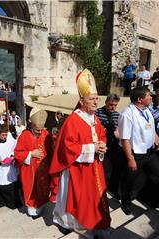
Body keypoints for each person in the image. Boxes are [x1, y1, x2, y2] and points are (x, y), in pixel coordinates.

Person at [50, 69, 111, 238]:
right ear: (81, 101)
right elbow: (67, 147)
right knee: (70, 197)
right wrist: (93, 148)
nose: (95, 102)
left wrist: (103, 144)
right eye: (92, 99)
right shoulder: (73, 120)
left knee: (93, 198)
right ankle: (64, 222)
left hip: (93, 167)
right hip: (75, 168)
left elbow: (102, 134)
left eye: (97, 98)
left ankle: (94, 223)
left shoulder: (95, 118)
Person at [118, 86, 159, 215]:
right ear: (140, 99)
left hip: (149, 152)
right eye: (149, 95)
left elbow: (150, 126)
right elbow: (125, 138)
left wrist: (156, 137)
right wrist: (130, 159)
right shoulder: (127, 113)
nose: (151, 97)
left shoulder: (147, 109)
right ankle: (125, 201)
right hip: (135, 154)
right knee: (129, 180)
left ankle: (144, 196)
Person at [14, 108, 53, 218]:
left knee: (43, 191)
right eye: (37, 130)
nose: (40, 132)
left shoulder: (46, 134)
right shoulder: (24, 136)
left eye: (41, 130)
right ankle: (33, 211)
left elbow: (51, 150)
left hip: (44, 171)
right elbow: (17, 154)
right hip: (30, 172)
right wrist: (31, 154)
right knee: (33, 192)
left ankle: (41, 207)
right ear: (31, 126)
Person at [95, 93, 121, 197]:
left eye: (115, 105)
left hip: (113, 144)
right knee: (106, 169)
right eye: (111, 104)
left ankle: (111, 188)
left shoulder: (117, 115)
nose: (113, 107)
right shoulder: (97, 113)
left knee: (115, 167)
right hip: (101, 144)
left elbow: (119, 130)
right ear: (106, 102)